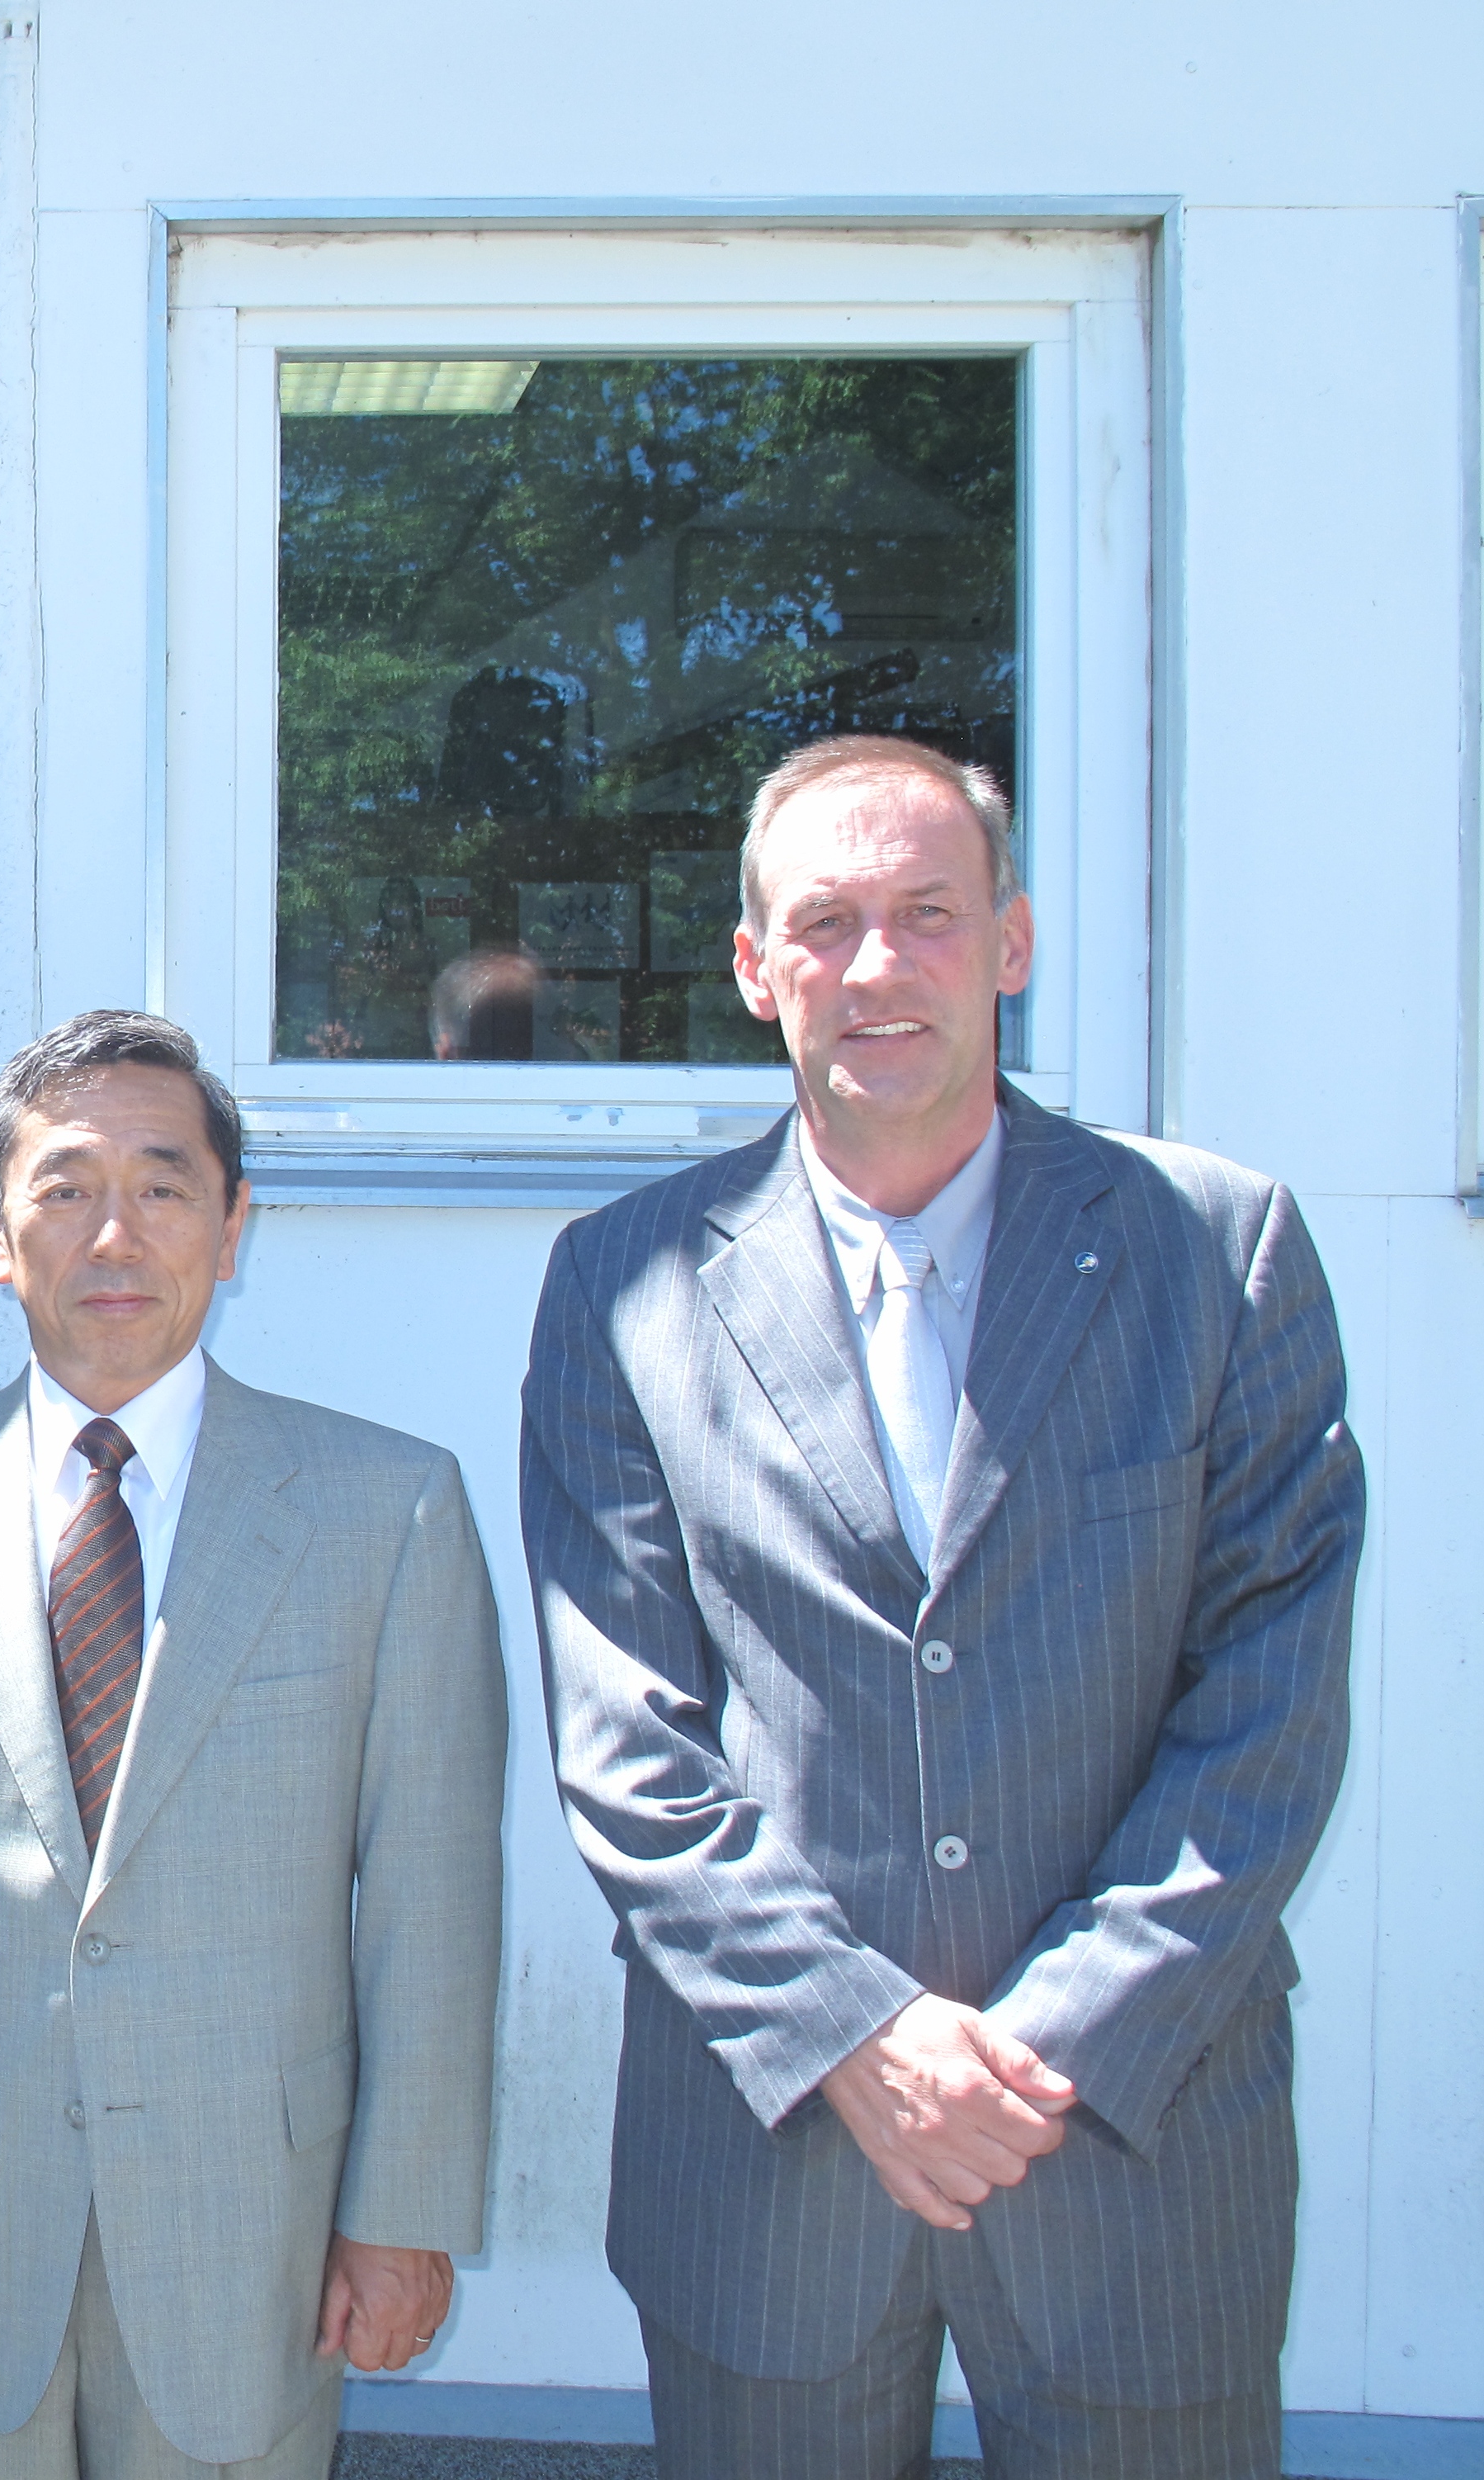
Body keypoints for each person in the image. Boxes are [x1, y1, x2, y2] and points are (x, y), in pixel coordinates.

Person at [521, 734, 1363, 2479]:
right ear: (754, 968)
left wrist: (1045, 2043)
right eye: (823, 922)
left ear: (1010, 941)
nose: (877, 965)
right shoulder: (620, 1281)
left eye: (926, 912)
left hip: (1131, 2136)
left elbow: (1267, 1707)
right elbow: (627, 1746)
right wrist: (854, 2034)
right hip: (770, 2147)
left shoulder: (1217, 1251)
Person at [0, 1009, 508, 2480]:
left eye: (163, 1187)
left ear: (232, 1227)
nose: (115, 1234)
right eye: (66, 1188)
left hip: (255, 2227)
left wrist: (403, 2211)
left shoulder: (386, 1510)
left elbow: (431, 1902)